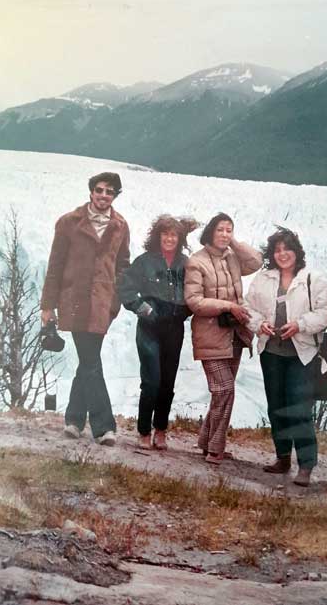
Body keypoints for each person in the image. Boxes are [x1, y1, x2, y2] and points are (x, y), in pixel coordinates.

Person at [40, 172, 130, 446]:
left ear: (115, 196)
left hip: (103, 304)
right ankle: (104, 427)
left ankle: (74, 421)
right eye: (100, 190)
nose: (104, 195)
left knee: (88, 361)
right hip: (76, 301)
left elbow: (123, 265)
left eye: (110, 192)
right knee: (91, 360)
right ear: (91, 192)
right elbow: (55, 265)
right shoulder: (69, 223)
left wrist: (115, 300)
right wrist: (47, 306)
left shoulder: (120, 225)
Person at [245, 228, 327, 486]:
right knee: (276, 406)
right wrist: (259, 324)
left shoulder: (312, 279)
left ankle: (306, 465)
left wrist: (300, 324)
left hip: (301, 354)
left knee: (299, 409)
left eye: (287, 248)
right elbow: (248, 307)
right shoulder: (263, 279)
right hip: (271, 352)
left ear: (297, 251)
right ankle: (282, 457)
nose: (282, 254)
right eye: (277, 250)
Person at [184, 213, 262, 464]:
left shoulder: (233, 258)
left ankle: (206, 442)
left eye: (229, 230)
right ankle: (216, 448)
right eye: (220, 230)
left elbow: (256, 262)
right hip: (210, 335)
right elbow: (194, 301)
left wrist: (234, 243)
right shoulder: (196, 262)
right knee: (225, 389)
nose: (225, 234)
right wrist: (228, 306)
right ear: (210, 232)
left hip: (235, 335)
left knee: (222, 392)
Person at [118, 214, 198, 450]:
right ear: (157, 235)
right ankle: (144, 430)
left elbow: (195, 292)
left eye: (174, 234)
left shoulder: (186, 263)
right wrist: (142, 308)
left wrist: (185, 311)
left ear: (180, 238)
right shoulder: (144, 261)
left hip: (174, 328)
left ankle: (160, 429)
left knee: (167, 381)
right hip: (150, 327)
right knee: (151, 380)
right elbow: (126, 288)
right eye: (165, 234)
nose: (169, 238)